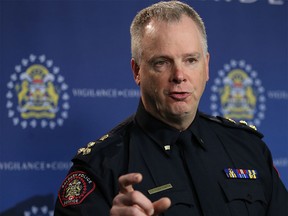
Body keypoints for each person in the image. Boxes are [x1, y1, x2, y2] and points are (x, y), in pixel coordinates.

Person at [54, 1, 288, 215]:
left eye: (190, 60)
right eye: (162, 63)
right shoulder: (100, 168)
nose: (179, 76)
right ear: (137, 71)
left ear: (206, 66)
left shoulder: (249, 149)